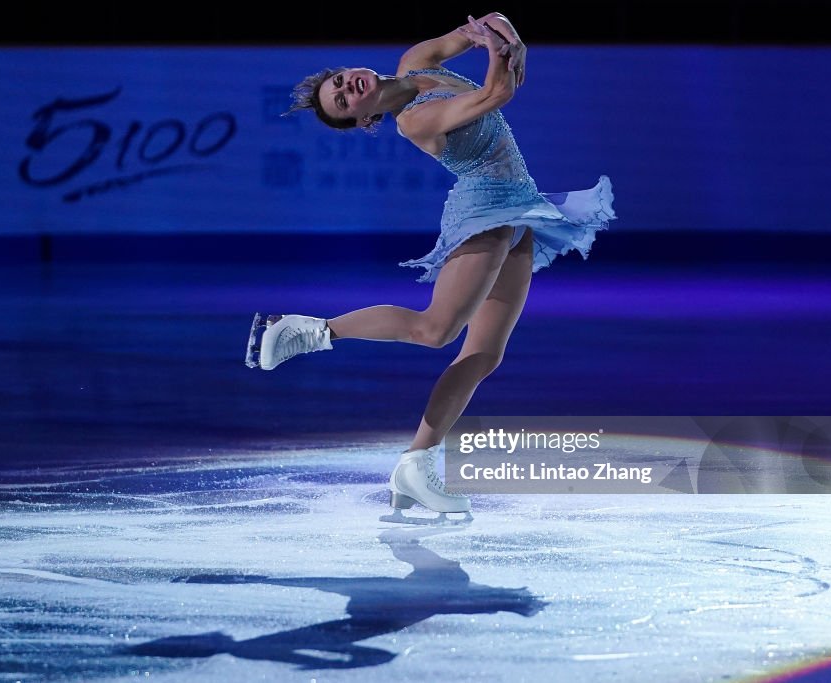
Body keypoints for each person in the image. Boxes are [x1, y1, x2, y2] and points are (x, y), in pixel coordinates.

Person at [245, 13, 615, 523]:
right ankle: (308, 330)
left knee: (484, 354)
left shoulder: (415, 61)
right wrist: (500, 52)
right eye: (343, 101)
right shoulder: (413, 121)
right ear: (364, 121)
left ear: (350, 69)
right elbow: (495, 94)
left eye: (341, 81)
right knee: (435, 329)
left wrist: (505, 36)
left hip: (519, 206)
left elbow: (484, 23)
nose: (348, 88)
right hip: (486, 209)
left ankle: (416, 464)